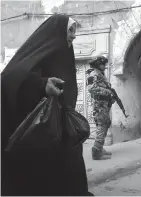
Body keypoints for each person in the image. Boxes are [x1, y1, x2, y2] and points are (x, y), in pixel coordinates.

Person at [1, 14, 93, 195]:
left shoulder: (63, 54)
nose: (74, 35)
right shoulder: (40, 52)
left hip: (64, 130)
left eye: (75, 30)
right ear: (56, 31)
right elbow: (9, 78)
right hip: (42, 134)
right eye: (70, 30)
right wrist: (41, 84)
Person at [86, 56, 114, 160]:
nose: (104, 66)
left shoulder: (100, 74)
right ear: (97, 64)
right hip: (99, 106)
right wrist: (108, 92)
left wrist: (111, 96)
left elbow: (104, 87)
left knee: (106, 124)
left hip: (104, 105)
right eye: (102, 64)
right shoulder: (93, 73)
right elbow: (91, 89)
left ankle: (100, 148)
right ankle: (96, 152)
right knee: (102, 125)